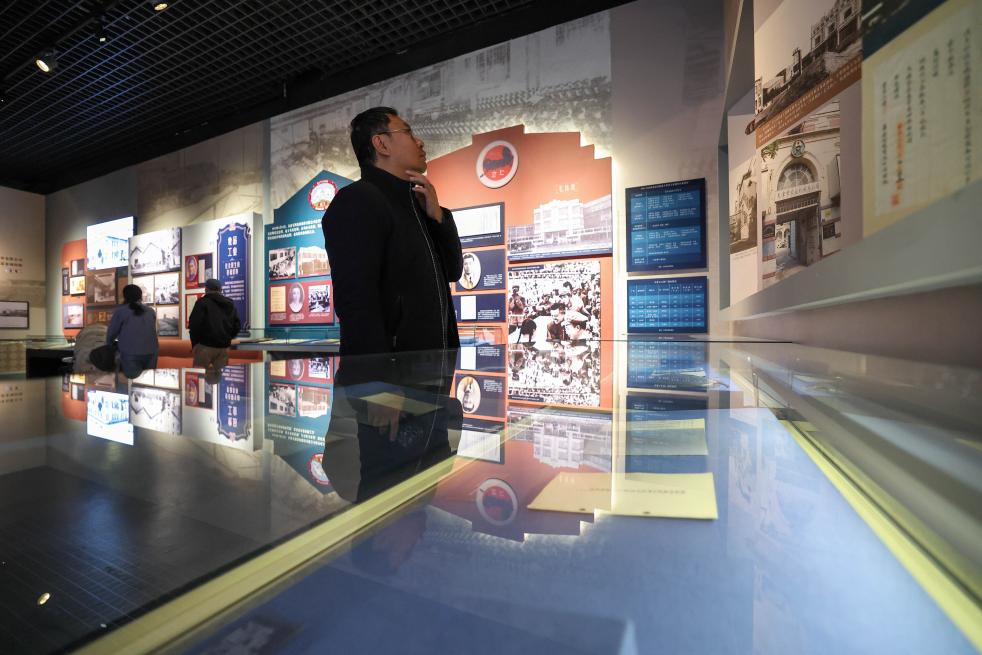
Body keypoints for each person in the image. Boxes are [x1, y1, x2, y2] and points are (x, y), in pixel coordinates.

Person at [322, 107, 463, 355]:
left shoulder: (416, 205)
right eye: (408, 133)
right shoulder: (358, 200)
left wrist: (439, 217)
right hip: (394, 380)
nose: (419, 141)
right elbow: (356, 304)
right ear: (381, 144)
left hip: (430, 369)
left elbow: (453, 270)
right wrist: (377, 386)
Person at [188, 278, 241, 372]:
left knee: (200, 376)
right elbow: (237, 326)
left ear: (206, 289)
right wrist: (227, 339)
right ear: (220, 290)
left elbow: (194, 325)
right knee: (220, 376)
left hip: (204, 347)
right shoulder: (230, 304)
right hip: (223, 348)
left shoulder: (202, 303)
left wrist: (195, 345)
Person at [106, 284, 159, 378]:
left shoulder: (120, 311)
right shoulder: (150, 311)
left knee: (133, 383)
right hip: (151, 352)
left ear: (125, 296)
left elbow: (111, 333)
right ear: (140, 296)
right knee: (149, 381)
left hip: (130, 353)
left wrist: (109, 345)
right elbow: (153, 331)